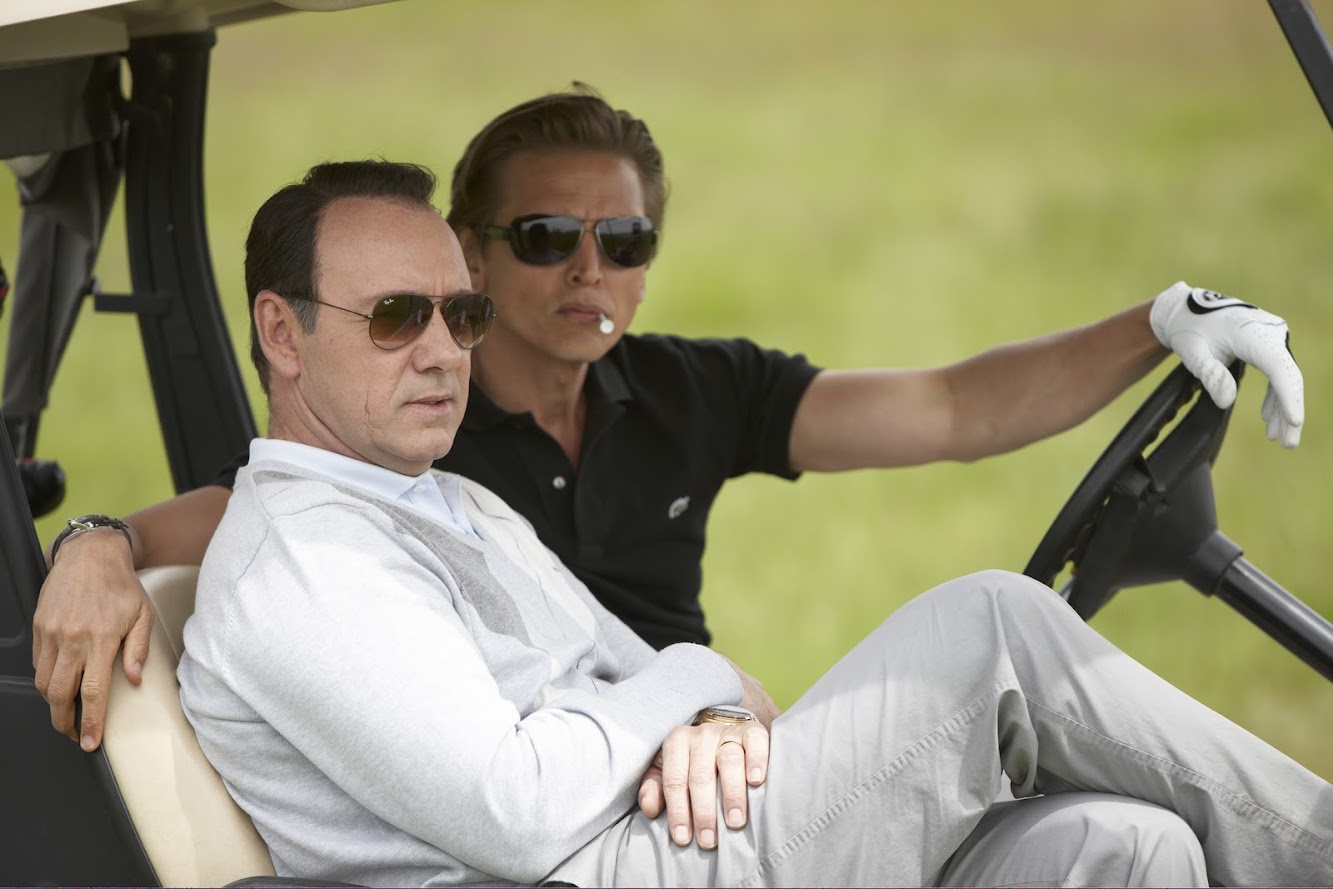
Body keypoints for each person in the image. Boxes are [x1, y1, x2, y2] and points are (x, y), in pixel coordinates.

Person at [32, 86, 1306, 755]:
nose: (591, 270)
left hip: (714, 752)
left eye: (626, 240)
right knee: (996, 627)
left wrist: (1152, 323)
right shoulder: (406, 415)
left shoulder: (691, 388)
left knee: (1112, 836)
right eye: (547, 237)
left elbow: (953, 406)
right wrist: (93, 540)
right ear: (471, 250)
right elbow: (236, 511)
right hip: (585, 793)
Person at [175, 159, 1331, 888]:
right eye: (395, 317)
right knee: (992, 625)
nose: (441, 351)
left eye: (458, 314)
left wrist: (710, 709)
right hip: (586, 869)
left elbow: (675, 674)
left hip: (668, 833)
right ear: (281, 333)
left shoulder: (449, 499)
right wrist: (696, 682)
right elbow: (515, 808)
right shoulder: (306, 564)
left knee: (1122, 849)